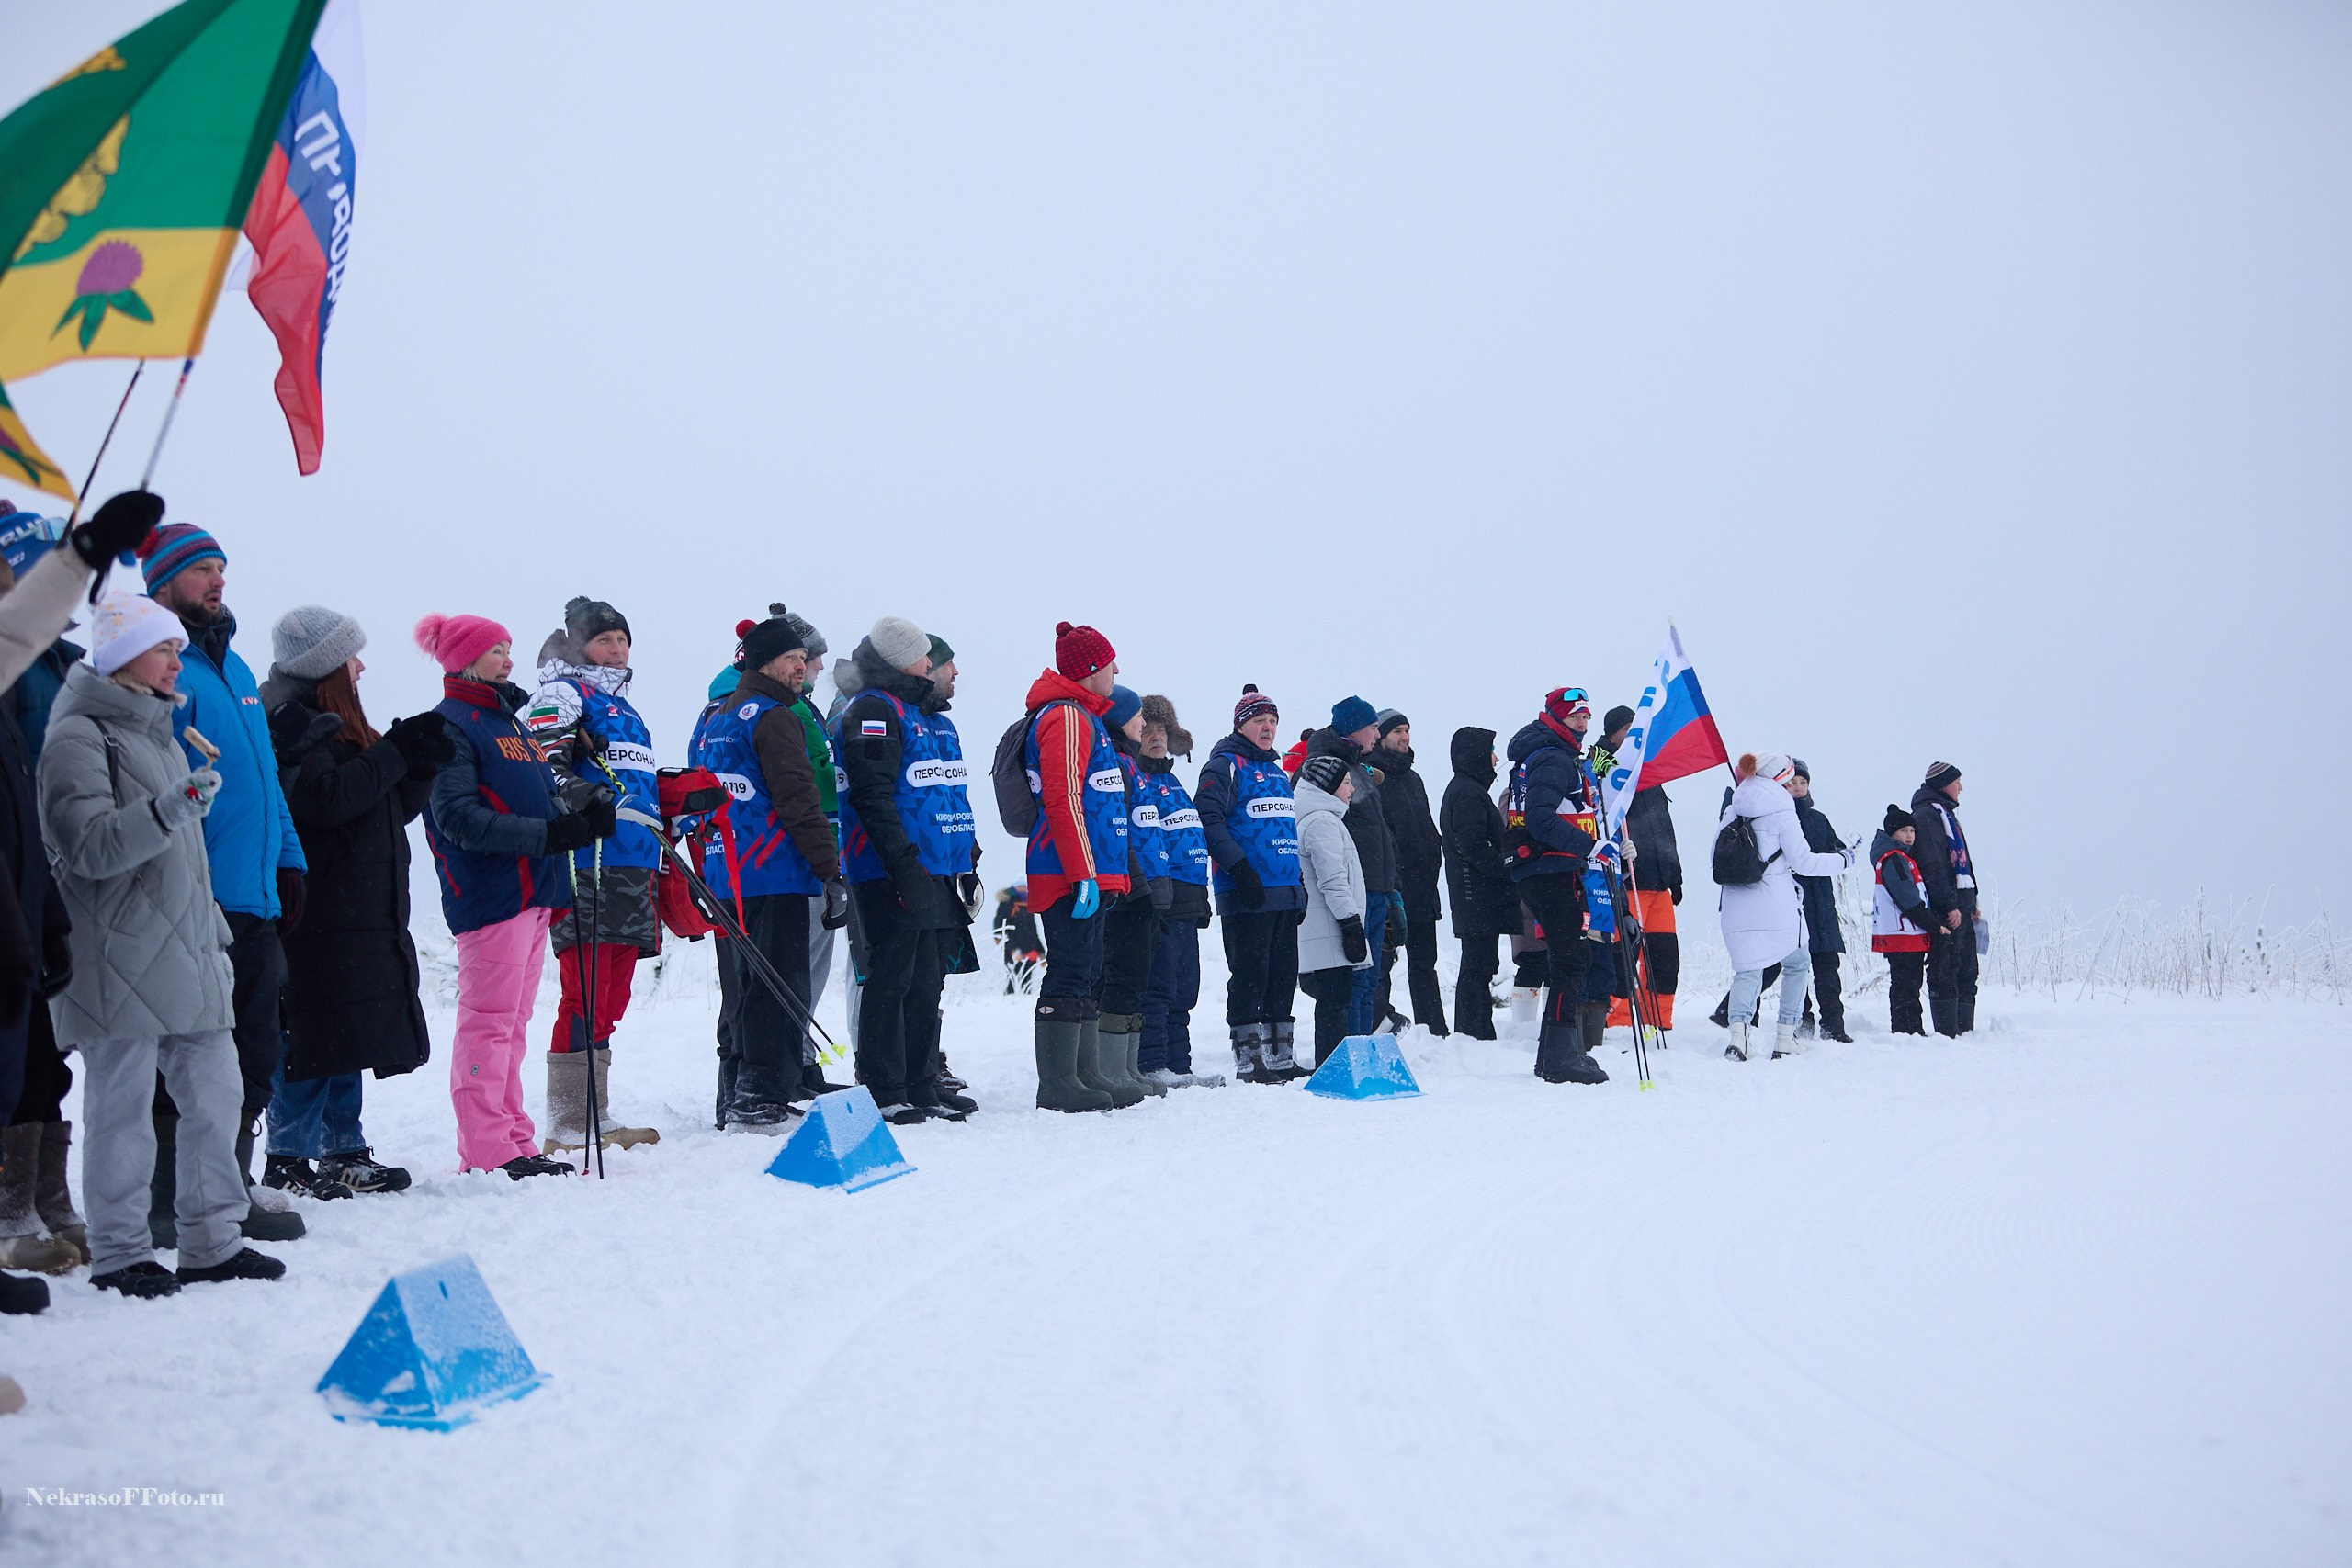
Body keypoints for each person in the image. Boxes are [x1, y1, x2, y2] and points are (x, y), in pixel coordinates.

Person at [42, 593, 284, 1295]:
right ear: (122, 657)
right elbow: (86, 847)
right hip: (117, 954)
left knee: (216, 1097)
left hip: (186, 950)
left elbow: (179, 854)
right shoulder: (78, 737)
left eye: (179, 649)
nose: (178, 660)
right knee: (121, 1110)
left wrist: (210, 929)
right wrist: (171, 806)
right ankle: (120, 1251)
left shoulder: (159, 732)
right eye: (164, 649)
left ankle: (214, 1240)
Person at [137, 523, 306, 1243]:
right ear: (163, 583)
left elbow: (263, 781)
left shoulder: (233, 670)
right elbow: (163, 787)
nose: (216, 580)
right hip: (194, 898)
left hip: (255, 896)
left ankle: (226, 1185)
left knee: (255, 1053)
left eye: (221, 568)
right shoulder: (163, 667)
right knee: (185, 1055)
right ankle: (168, 1195)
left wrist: (290, 858)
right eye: (201, 568)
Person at [257, 608, 450, 1198]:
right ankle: (288, 1155)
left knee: (346, 1025)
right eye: (351, 656)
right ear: (323, 664)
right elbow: (324, 801)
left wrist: (415, 769)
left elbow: (379, 809)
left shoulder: (331, 719)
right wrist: (393, 753)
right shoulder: (288, 719)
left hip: (352, 903)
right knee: (310, 1029)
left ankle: (343, 1149)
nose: (361, 666)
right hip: (314, 903)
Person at [419, 613, 606, 1177]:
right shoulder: (450, 725)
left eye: (507, 648)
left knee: (514, 1020)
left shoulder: (511, 723)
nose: (508, 659)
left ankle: (513, 1137)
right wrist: (550, 835)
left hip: (534, 891)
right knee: (489, 1020)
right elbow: (457, 818)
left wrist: (581, 805)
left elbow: (542, 792)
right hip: (492, 892)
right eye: (496, 650)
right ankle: (485, 1149)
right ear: (464, 660)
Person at [696, 613, 848, 1130]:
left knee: (744, 985)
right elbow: (798, 799)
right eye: (791, 659)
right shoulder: (775, 716)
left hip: (726, 871)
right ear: (764, 662)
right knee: (778, 984)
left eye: (803, 659)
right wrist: (829, 868)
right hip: (774, 869)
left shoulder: (717, 717)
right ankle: (761, 1096)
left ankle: (739, 1090)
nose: (801, 669)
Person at [526, 597, 662, 1154]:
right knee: (584, 987)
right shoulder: (562, 694)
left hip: (635, 860)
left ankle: (594, 1112)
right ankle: (567, 1120)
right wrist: (584, 797)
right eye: (605, 640)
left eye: (622, 640)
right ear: (579, 643)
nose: (616, 649)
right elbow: (540, 765)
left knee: (615, 992)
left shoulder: (626, 708)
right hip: (587, 861)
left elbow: (635, 778)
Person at [834, 615, 978, 1126]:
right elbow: (872, 795)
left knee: (927, 982)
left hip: (940, 869)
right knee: (891, 979)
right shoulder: (874, 709)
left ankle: (920, 1083)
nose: (952, 670)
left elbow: (946, 793)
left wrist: (971, 857)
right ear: (908, 662)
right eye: (933, 658)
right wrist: (902, 864)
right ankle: (883, 1088)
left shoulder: (934, 718)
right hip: (890, 869)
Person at [0, 544, 77, 1278]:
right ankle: (10, 1211)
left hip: (28, 879)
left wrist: (46, 912)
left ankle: (42, 1199)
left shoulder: (62, 661)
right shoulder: (27, 670)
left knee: (38, 1061)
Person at [1020, 621, 1130, 1112]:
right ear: (1090, 670)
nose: (1116, 671)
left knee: (1086, 968)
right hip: (1067, 870)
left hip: (1092, 868)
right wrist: (1083, 872)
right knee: (1068, 969)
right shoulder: (1064, 716)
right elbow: (1062, 797)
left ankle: (1086, 1072)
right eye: (1109, 664)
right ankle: (1058, 1082)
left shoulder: (1088, 718)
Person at [1195, 684, 1305, 1083]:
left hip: (1283, 892)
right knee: (1250, 973)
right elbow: (1207, 819)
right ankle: (1248, 1059)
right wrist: (1239, 869)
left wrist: (1299, 885)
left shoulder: (1278, 772)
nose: (1268, 727)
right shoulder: (1224, 765)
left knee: (1282, 974)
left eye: (1273, 721)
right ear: (1241, 725)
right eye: (1259, 720)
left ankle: (1280, 1056)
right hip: (1245, 891)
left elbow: (1287, 831)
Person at [1716, 752, 1853, 1063]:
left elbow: (1715, 858)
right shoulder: (1782, 810)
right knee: (1797, 961)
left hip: (1736, 904)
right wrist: (1844, 859)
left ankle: (1738, 1035)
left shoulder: (1732, 809)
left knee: (1747, 969)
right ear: (1780, 777)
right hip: (1775, 903)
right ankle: (1785, 1035)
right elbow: (1804, 861)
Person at [1505, 687, 1611, 1084]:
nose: (1583, 726)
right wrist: (1592, 845)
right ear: (1555, 719)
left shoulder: (1549, 753)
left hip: (1547, 868)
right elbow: (1540, 819)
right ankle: (1560, 1057)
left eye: (1586, 718)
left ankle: (1554, 1052)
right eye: (1575, 719)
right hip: (1551, 870)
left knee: (1568, 959)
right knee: (1571, 960)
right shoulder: (1552, 756)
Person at [1134, 694, 1218, 1088]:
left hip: (1188, 899)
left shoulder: (1171, 779)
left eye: (1161, 729)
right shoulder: (1135, 778)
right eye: (1147, 729)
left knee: (1185, 988)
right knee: (1159, 987)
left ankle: (1179, 1065)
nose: (1155, 737)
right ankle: (1152, 1064)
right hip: (1159, 899)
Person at [1305, 697, 1396, 1036]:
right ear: (1354, 728)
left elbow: (1378, 832)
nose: (1378, 733)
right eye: (1373, 727)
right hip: (1350, 892)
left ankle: (1362, 1056)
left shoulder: (1358, 767)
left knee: (1368, 982)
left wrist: (1392, 888)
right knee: (1353, 982)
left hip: (1374, 887)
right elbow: (1324, 834)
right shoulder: (1326, 767)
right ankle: (1347, 1060)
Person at [1594, 706, 1682, 1037]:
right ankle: (1617, 1020)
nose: (1635, 734)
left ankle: (1658, 1019)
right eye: (1629, 728)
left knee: (1664, 955)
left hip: (1659, 882)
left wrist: (1676, 875)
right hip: (1626, 880)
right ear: (1614, 732)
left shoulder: (1651, 769)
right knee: (1622, 955)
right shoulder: (1603, 763)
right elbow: (1597, 804)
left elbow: (1664, 829)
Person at [1293, 753, 1373, 1066]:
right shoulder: (1322, 822)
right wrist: (1351, 923)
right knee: (1334, 1002)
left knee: (1334, 1001)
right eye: (1346, 783)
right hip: (1329, 931)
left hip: (1326, 930)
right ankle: (1332, 1067)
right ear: (1328, 786)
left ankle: (1332, 1064)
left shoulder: (1323, 818)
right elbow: (1334, 880)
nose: (1352, 790)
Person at [1372, 709, 1447, 1036]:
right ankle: (1381, 1025)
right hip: (1393, 886)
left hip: (1423, 884)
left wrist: (1433, 855)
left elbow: (1426, 828)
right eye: (1397, 731)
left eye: (1407, 730)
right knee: (1383, 964)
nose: (1404, 737)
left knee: (1424, 963)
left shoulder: (1414, 778)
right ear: (1382, 736)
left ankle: (1434, 1030)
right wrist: (1394, 876)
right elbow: (1381, 834)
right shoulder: (1373, 776)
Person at [1440, 726, 1517, 1040]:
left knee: (1481, 963)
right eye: (1491, 751)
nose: (1496, 759)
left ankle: (1478, 1029)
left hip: (1476, 895)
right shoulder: (1467, 793)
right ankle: (1473, 1032)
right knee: (1477, 964)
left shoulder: (1467, 790)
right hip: (1477, 895)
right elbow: (1473, 847)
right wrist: (1508, 867)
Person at [1910, 761, 1980, 1036]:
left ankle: (1967, 1031)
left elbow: (1963, 863)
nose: (1961, 787)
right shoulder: (1927, 816)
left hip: (1962, 903)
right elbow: (1933, 865)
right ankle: (1948, 1035)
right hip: (1945, 907)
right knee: (1945, 968)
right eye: (1957, 782)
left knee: (1967, 967)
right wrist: (1949, 905)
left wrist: (1971, 901)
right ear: (1942, 784)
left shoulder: (1947, 815)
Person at [1790, 760, 1852, 1043]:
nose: (1799, 788)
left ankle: (1834, 1028)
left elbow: (1835, 849)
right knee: (1798, 970)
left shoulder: (1819, 819)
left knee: (1828, 971)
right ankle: (1801, 1026)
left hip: (1823, 905)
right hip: (1794, 904)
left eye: (1803, 783)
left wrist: (1844, 854)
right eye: (1793, 783)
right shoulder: (1779, 818)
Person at [1871, 805, 1935, 1035]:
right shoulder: (1895, 859)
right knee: (1906, 986)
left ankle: (1909, 1029)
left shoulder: (1902, 858)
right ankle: (1906, 1031)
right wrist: (1933, 924)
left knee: (1909, 985)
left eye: (1912, 831)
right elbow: (1907, 898)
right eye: (1904, 831)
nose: (1910, 836)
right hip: (1903, 936)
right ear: (1892, 834)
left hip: (1907, 935)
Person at [993, 884, 1043, 993]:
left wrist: (1041, 951)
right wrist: (999, 937)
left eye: (1024, 886)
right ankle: (1008, 999)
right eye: (1019, 886)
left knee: (1028, 975)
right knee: (1012, 974)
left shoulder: (1028, 905)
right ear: (1014, 888)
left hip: (1030, 947)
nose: (1022, 889)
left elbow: (1033, 930)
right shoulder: (1007, 904)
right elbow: (999, 922)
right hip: (1012, 946)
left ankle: (1025, 999)